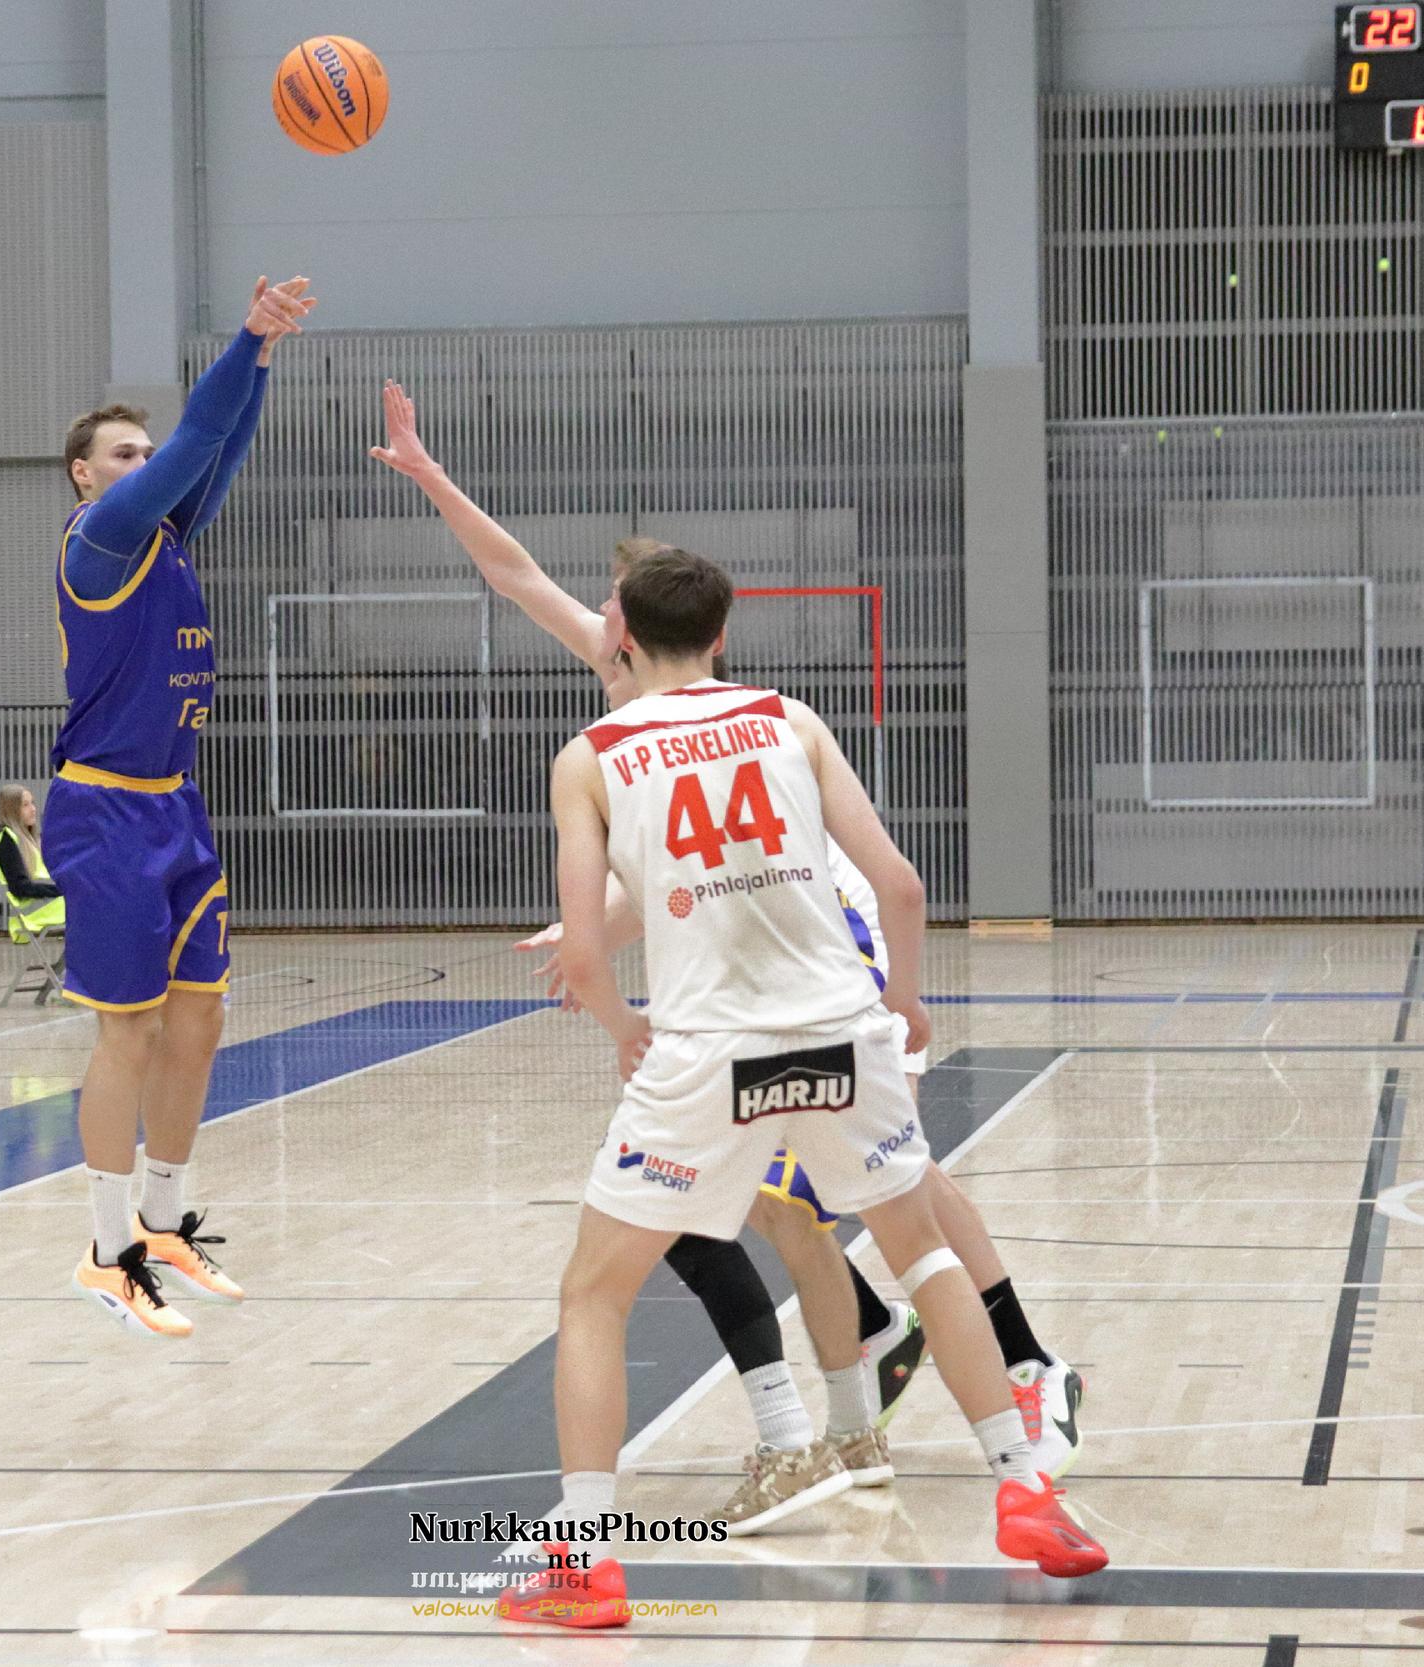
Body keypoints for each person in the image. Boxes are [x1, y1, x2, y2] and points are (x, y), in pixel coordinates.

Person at [369, 383, 1084, 1507]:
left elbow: (711, 879)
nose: (593, 609)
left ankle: (1021, 1363)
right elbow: (512, 573)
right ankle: (869, 1399)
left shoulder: (647, 729)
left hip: (817, 920)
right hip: (751, 947)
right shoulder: (628, 685)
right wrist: (431, 476)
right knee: (802, 1195)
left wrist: (598, 951)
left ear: (631, 619)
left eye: (609, 593)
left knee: (888, 1189)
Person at [496, 549, 1104, 1627]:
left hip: (707, 1052)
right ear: (722, 634)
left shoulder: (591, 755)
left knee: (594, 1293)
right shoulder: (790, 719)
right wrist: (906, 1000)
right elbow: (902, 884)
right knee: (923, 1250)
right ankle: (1023, 1488)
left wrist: (625, 1028)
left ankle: (583, 1559)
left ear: (621, 636)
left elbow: (584, 954)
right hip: (841, 1035)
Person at [54, 275, 316, 1341]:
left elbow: (219, 448)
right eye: (124, 453)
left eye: (143, 451)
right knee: (129, 1031)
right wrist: (245, 337)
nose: (143, 462)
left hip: (178, 807)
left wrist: (263, 362)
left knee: (200, 1021)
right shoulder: (100, 537)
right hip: (105, 812)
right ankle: (104, 1251)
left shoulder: (165, 535)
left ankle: (162, 1225)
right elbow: (196, 440)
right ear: (86, 473)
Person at [0, 784, 65, 938]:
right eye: (25, 805)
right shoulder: (7, 841)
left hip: (50, 906)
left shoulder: (30, 839)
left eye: (33, 803)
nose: (33, 809)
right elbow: (20, 888)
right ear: (12, 810)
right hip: (37, 912)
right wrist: (62, 890)